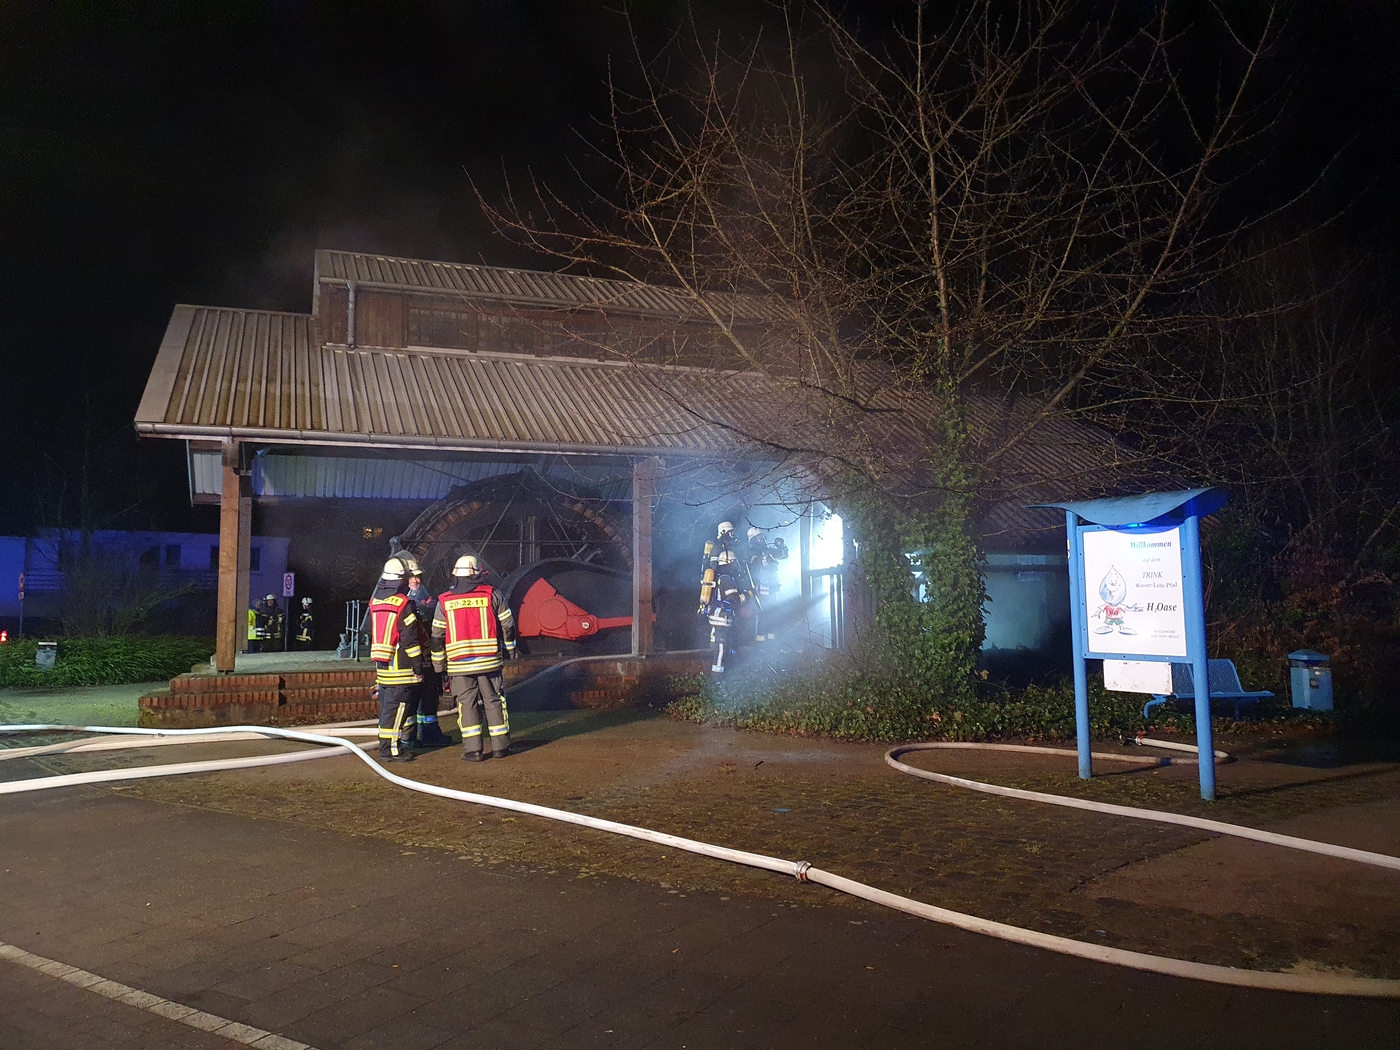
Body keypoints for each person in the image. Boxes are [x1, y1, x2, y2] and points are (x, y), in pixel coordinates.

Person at [431, 554, 517, 761]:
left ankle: (473, 750)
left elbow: (437, 636)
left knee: (466, 704)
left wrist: (438, 665)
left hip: (459, 665)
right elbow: (508, 625)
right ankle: (500, 747)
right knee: (494, 701)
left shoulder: (444, 601)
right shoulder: (493, 595)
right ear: (478, 573)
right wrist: (510, 649)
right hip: (489, 662)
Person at [368, 554, 427, 762]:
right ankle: (390, 750)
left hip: (383, 666)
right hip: (401, 667)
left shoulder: (375, 601)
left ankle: (393, 745)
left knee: (388, 710)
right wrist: (419, 667)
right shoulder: (404, 604)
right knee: (398, 709)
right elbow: (410, 641)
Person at [406, 568, 451, 747]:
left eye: (417, 578)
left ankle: (429, 735)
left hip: (428, 658)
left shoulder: (432, 602)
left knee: (430, 698)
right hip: (413, 660)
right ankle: (409, 738)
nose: (415, 581)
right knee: (412, 699)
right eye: (411, 578)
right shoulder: (403, 604)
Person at [698, 521, 747, 673]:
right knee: (721, 647)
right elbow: (733, 598)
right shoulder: (719, 553)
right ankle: (717, 678)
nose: (733, 535)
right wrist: (746, 596)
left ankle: (721, 670)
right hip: (722, 615)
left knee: (722, 643)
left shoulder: (727, 551)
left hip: (717, 612)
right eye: (730, 532)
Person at [744, 527, 789, 643]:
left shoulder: (768, 550)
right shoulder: (750, 553)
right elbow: (759, 563)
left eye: (762, 536)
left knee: (773, 612)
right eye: (759, 537)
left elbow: (784, 555)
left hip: (772, 586)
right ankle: (760, 640)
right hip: (761, 587)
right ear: (753, 540)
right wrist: (770, 557)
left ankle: (771, 640)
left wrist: (781, 546)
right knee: (763, 613)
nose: (763, 539)